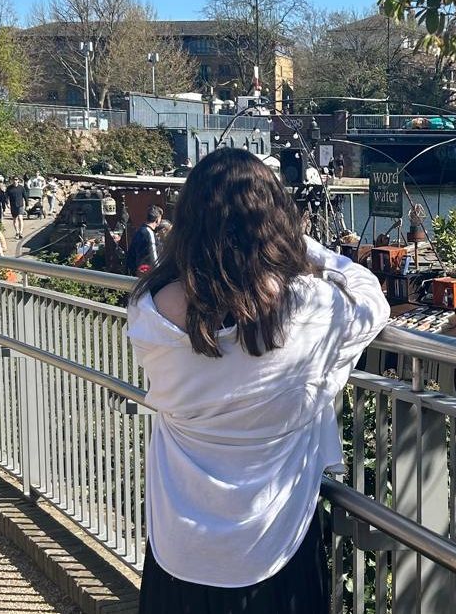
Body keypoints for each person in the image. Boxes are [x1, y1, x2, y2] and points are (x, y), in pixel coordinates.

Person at [126, 149, 390, 613]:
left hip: (180, 548)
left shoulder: (148, 312)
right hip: (275, 541)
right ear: (273, 221)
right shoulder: (309, 307)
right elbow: (370, 296)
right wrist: (301, 245)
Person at [125, 205, 164, 275]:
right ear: (157, 219)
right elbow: (153, 255)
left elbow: (130, 255)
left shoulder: (139, 231)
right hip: (149, 274)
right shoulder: (150, 233)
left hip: (138, 273)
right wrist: (158, 272)